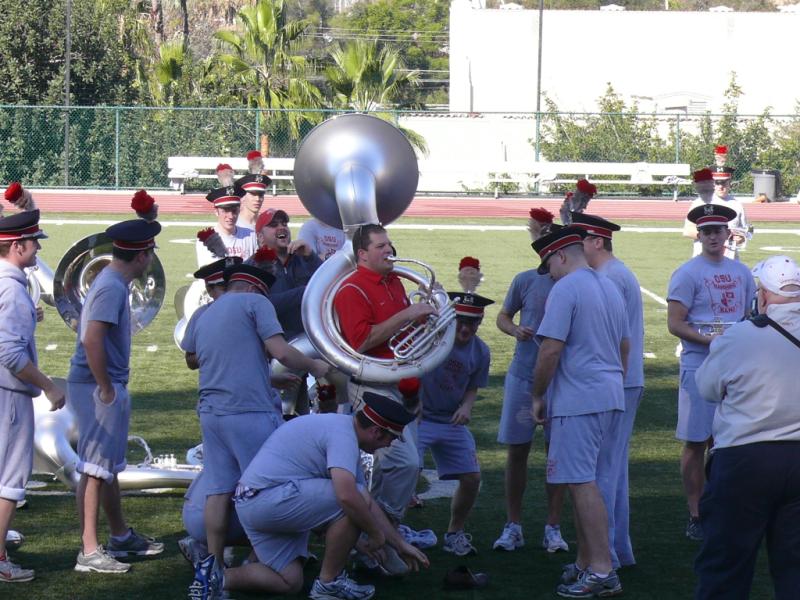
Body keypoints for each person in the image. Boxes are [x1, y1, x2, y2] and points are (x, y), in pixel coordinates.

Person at [183, 262, 330, 598]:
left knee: (218, 491)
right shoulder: (256, 303)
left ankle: (213, 567)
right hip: (249, 412)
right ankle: (259, 558)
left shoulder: (205, 312)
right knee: (262, 490)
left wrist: (260, 373)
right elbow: (281, 352)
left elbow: (199, 358)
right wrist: (315, 365)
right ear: (255, 289)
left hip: (211, 412)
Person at [200, 392, 429, 600]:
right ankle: (328, 583)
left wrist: (398, 543)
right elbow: (348, 497)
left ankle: (214, 579)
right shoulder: (343, 435)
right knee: (353, 499)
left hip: (256, 503)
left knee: (289, 581)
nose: (389, 444)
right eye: (391, 438)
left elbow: (364, 500)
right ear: (376, 431)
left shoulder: (341, 429)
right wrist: (375, 533)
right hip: (268, 499)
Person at [531, 225, 629, 598]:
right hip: (609, 394)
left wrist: (537, 394)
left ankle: (602, 569)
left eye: (549, 266)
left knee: (581, 483)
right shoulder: (609, 285)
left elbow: (550, 349)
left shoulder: (566, 288)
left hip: (579, 399)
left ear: (559, 256)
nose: (550, 274)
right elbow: (624, 345)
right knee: (589, 482)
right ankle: (588, 561)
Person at [694, 255, 800, 600]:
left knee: (726, 565)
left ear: (764, 294)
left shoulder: (740, 336)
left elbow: (707, 388)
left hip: (745, 459)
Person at [68, 218, 165, 574]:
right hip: (97, 386)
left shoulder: (112, 282)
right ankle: (89, 551)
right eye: (150, 253)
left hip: (100, 384)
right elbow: (91, 339)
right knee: (94, 469)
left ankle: (120, 536)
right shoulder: (111, 286)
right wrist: (106, 387)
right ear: (141, 256)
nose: (150, 259)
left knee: (105, 468)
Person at [333, 224, 436, 525]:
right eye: (381, 246)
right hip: (373, 386)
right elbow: (360, 341)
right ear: (362, 254)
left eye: (389, 244)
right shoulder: (352, 289)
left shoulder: (394, 282)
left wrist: (427, 314)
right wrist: (407, 314)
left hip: (401, 385)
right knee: (405, 464)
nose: (389, 250)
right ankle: (384, 530)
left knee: (391, 467)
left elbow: (403, 333)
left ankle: (376, 535)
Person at [667, 203, 756, 542]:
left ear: (728, 233)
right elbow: (675, 323)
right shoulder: (687, 273)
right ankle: (696, 513)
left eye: (718, 230)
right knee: (696, 439)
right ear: (699, 235)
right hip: (699, 363)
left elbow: (748, 316)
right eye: (706, 231)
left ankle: (725, 507)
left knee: (731, 440)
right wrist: (709, 340)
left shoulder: (742, 272)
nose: (713, 237)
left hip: (735, 366)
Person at [571, 211, 644, 569]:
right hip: (623, 380)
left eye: (581, 241)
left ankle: (604, 556)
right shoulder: (615, 273)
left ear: (597, 242)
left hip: (616, 382)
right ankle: (617, 549)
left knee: (601, 472)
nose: (576, 248)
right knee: (613, 469)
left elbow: (613, 339)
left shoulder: (609, 277)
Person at [0, 210, 65, 583]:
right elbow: (10, 355)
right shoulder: (12, 288)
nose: (37, 248)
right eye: (33, 242)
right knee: (10, 479)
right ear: (16, 246)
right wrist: (48, 385)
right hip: (9, 395)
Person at [494, 208, 561, 554]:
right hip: (523, 376)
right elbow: (502, 317)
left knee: (557, 456)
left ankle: (553, 526)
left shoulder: (572, 283)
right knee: (517, 451)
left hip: (560, 382)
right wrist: (515, 330)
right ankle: (513, 525)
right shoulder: (524, 280)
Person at [417, 281, 492, 557]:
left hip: (450, 420)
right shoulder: (432, 337)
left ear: (479, 323)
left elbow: (473, 386)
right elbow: (408, 367)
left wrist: (467, 407)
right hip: (419, 417)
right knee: (403, 471)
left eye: (472, 323)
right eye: (461, 321)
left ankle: (454, 532)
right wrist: (412, 402)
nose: (465, 329)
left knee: (472, 477)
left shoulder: (481, 351)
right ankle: (391, 529)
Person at [682, 164, 750, 260]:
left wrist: (740, 238)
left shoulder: (737, 204)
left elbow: (743, 231)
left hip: (729, 259)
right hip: (704, 259)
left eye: (724, 183)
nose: (720, 186)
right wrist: (717, 236)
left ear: (729, 182)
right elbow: (687, 231)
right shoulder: (700, 202)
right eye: (717, 183)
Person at [196, 186, 257, 266]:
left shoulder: (251, 236)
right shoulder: (207, 240)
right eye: (225, 211)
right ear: (216, 212)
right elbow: (209, 272)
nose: (230, 216)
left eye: (234, 211)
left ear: (239, 211)